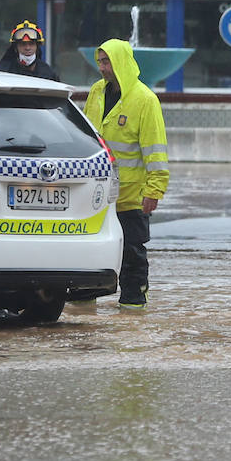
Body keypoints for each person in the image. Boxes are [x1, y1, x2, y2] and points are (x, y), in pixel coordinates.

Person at [82, 39, 169, 309]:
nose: (102, 68)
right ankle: (83, 299)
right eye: (100, 62)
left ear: (120, 62)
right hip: (95, 192)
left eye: (106, 62)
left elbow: (155, 150)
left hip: (132, 195)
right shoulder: (97, 91)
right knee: (89, 247)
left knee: (132, 252)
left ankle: (133, 303)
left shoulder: (145, 100)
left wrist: (154, 190)